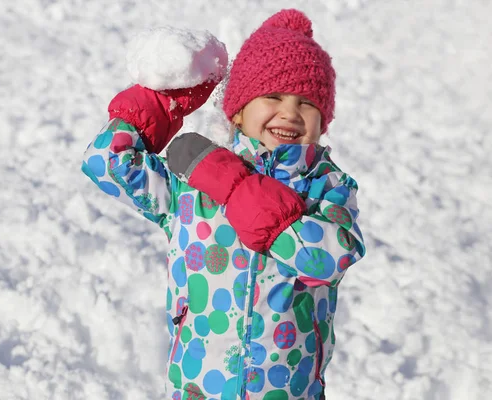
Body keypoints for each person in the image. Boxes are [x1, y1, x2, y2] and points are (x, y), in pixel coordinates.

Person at [82, 8, 366, 400]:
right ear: (238, 110)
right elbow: (106, 162)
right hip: (199, 388)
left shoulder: (326, 187)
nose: (289, 112)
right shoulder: (193, 188)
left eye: (307, 102)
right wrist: (164, 103)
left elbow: (329, 257)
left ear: (323, 120)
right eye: (272, 96)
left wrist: (238, 190)